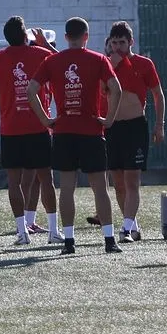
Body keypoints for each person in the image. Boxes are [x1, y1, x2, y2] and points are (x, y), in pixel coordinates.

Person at [27, 17, 123, 255]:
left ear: (67, 37)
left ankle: (69, 241)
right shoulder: (99, 59)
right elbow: (116, 88)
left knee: (67, 188)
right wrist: (109, 119)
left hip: (64, 132)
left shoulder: (53, 60)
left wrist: (45, 120)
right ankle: (109, 240)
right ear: (86, 37)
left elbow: (31, 91)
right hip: (91, 131)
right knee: (100, 188)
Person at [0, 17, 63, 245]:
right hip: (39, 127)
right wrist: (44, 44)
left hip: (11, 131)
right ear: (24, 33)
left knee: (14, 181)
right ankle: (54, 231)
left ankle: (22, 232)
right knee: (46, 178)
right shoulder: (40, 54)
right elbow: (63, 63)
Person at [104, 21, 165, 243]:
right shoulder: (106, 64)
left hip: (135, 126)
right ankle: (133, 224)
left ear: (131, 42)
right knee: (118, 183)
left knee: (132, 181)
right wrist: (112, 63)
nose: (118, 47)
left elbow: (158, 94)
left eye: (122, 42)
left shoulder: (143, 63)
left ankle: (126, 228)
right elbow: (100, 92)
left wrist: (160, 124)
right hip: (112, 128)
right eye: (114, 42)